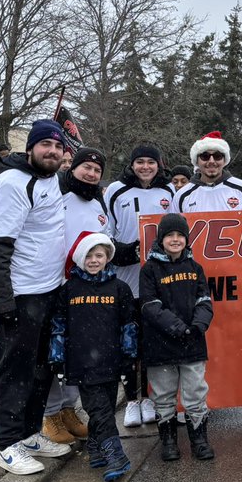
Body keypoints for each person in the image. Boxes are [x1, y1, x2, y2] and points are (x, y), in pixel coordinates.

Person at [0, 119, 72, 475]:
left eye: (57, 146)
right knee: (12, 372)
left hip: (47, 291)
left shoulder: (50, 181)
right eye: (44, 145)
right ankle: (7, 445)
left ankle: (29, 434)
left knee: (41, 369)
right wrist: (4, 302)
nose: (51, 151)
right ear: (30, 148)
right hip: (18, 296)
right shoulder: (13, 184)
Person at [171, 131, 242, 418]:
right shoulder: (182, 195)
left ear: (225, 159)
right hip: (195, 280)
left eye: (217, 156)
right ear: (197, 161)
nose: (211, 161)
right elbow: (173, 238)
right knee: (199, 337)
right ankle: (193, 402)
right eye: (205, 156)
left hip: (236, 278)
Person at [40, 146, 123, 446]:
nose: (91, 173)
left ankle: (68, 411)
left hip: (87, 289)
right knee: (55, 352)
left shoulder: (97, 203)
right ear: (72, 168)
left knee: (78, 352)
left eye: (97, 170)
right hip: (56, 286)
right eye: (85, 167)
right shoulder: (58, 196)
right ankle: (50, 414)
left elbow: (105, 241)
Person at [48, 231, 138, 482]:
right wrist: (56, 355)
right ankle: (116, 455)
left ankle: (97, 449)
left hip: (111, 360)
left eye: (99, 255)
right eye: (88, 255)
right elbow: (59, 324)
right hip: (82, 363)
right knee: (97, 409)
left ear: (107, 257)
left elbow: (128, 324)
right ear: (80, 259)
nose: (94, 260)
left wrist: (129, 353)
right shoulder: (69, 290)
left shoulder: (120, 288)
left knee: (106, 408)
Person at [106, 143, 175, 428]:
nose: (145, 167)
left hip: (158, 282)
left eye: (151, 162)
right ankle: (132, 400)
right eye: (140, 162)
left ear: (159, 164)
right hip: (126, 280)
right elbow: (105, 232)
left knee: (152, 342)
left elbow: (179, 229)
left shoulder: (169, 192)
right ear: (132, 165)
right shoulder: (115, 190)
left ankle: (149, 397)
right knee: (127, 341)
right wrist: (126, 252)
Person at [139, 213, 216, 461]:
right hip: (160, 344)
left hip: (192, 342)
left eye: (179, 235)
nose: (174, 239)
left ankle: (199, 440)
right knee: (163, 396)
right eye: (169, 235)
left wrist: (197, 326)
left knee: (195, 394)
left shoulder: (196, 268)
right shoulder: (149, 269)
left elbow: (205, 301)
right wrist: (177, 328)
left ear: (186, 239)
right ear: (161, 239)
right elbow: (150, 305)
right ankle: (169, 441)